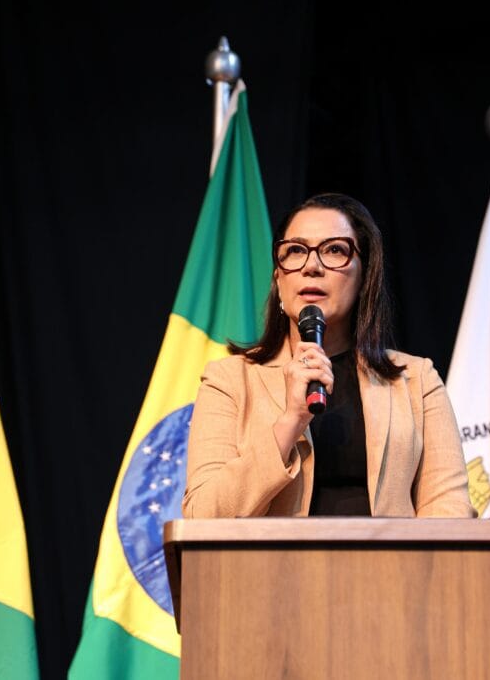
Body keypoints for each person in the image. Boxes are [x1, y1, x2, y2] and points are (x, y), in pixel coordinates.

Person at [182, 193, 473, 518]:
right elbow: (202, 517)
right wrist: (290, 422)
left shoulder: (416, 380)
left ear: (365, 276)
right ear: (278, 279)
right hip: (271, 570)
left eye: (335, 250)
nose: (312, 266)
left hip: (390, 569)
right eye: (295, 251)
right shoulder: (229, 380)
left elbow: (450, 513)